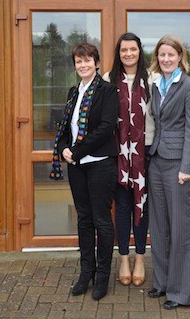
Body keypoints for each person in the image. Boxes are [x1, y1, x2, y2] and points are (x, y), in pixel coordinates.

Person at [49, 42, 119, 301]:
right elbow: (66, 127)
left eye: (88, 60)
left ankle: (102, 277)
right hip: (77, 167)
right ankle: (85, 273)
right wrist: (65, 147)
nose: (83, 65)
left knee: (102, 219)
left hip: (100, 163)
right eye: (79, 61)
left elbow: (106, 127)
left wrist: (75, 151)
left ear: (97, 63)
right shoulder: (72, 92)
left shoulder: (108, 91)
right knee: (84, 219)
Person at [147, 34, 190, 310]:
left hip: (178, 164)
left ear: (181, 56)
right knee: (158, 226)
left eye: (171, 54)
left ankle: (181, 293)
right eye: (162, 55)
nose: (166, 59)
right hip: (156, 160)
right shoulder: (157, 85)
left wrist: (186, 168)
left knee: (180, 228)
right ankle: (162, 283)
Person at [103, 32, 156, 287]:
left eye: (133, 49)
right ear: (118, 53)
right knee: (123, 207)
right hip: (119, 155)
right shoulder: (108, 80)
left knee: (142, 206)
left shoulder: (153, 80)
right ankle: (123, 258)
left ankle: (140, 259)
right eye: (123, 50)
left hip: (145, 154)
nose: (128, 54)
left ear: (139, 51)